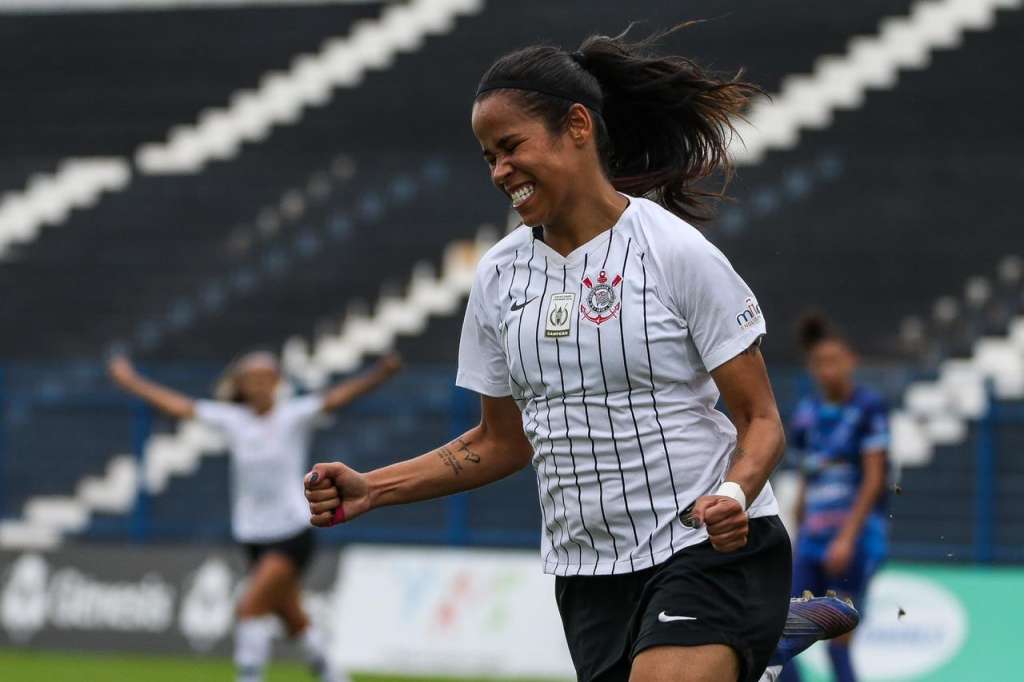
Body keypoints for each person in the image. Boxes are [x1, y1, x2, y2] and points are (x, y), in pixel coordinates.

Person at [305, 28, 856, 682]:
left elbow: (761, 420)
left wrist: (735, 493)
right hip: (588, 574)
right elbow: (499, 440)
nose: (499, 171)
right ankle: (761, 646)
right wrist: (374, 488)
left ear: (576, 127)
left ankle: (744, 636)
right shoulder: (498, 278)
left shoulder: (675, 253)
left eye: (510, 147)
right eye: (488, 157)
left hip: (705, 543)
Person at [109, 351, 402, 682]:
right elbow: (179, 406)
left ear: (277, 382)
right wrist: (131, 382)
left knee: (249, 608)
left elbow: (335, 398)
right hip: (252, 536)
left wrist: (379, 375)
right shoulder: (234, 420)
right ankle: (332, 674)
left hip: (291, 532)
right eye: (251, 379)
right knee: (292, 617)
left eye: (266, 378)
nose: (259, 385)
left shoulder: (293, 415)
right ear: (241, 386)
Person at [777, 315, 888, 682]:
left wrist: (847, 537)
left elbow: (874, 477)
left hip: (852, 539)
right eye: (820, 363)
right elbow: (807, 477)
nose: (828, 370)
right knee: (781, 629)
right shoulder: (807, 414)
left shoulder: (869, 409)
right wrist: (798, 527)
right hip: (812, 538)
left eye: (835, 361)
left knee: (840, 638)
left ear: (851, 361)